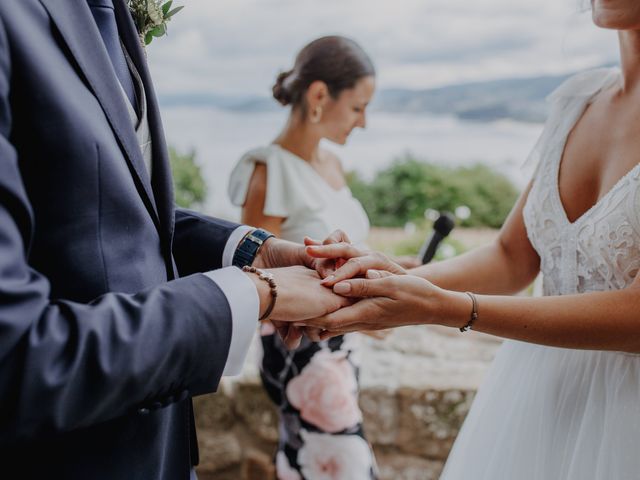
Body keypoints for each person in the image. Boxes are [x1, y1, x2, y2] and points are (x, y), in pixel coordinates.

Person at [0, 2, 348, 479]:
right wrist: (257, 290)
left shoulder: (111, 13)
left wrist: (251, 250)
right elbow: (15, 358)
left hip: (159, 451)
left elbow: (105, 208)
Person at [301, 1, 640, 478]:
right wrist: (389, 280)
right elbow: (512, 256)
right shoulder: (579, 101)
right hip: (534, 402)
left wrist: (445, 307)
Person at [229, 35, 417, 480]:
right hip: (301, 350)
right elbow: (252, 276)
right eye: (357, 107)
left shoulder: (333, 165)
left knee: (310, 464)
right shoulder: (268, 171)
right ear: (318, 96)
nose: (364, 122)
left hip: (343, 345)